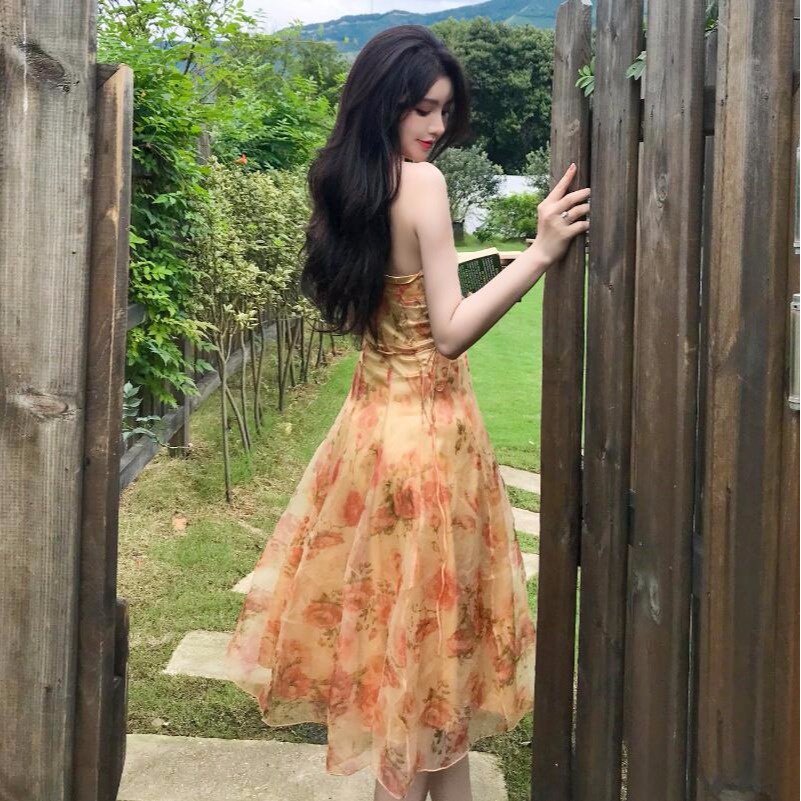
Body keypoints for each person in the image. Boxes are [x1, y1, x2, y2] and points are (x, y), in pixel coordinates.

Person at [224, 24, 590, 801]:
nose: (434, 125)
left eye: (443, 110)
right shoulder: (421, 184)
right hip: (427, 444)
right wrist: (538, 253)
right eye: (421, 108)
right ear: (383, 102)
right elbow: (449, 331)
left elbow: (398, 305)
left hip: (370, 435)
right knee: (427, 673)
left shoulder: (347, 184)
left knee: (424, 683)